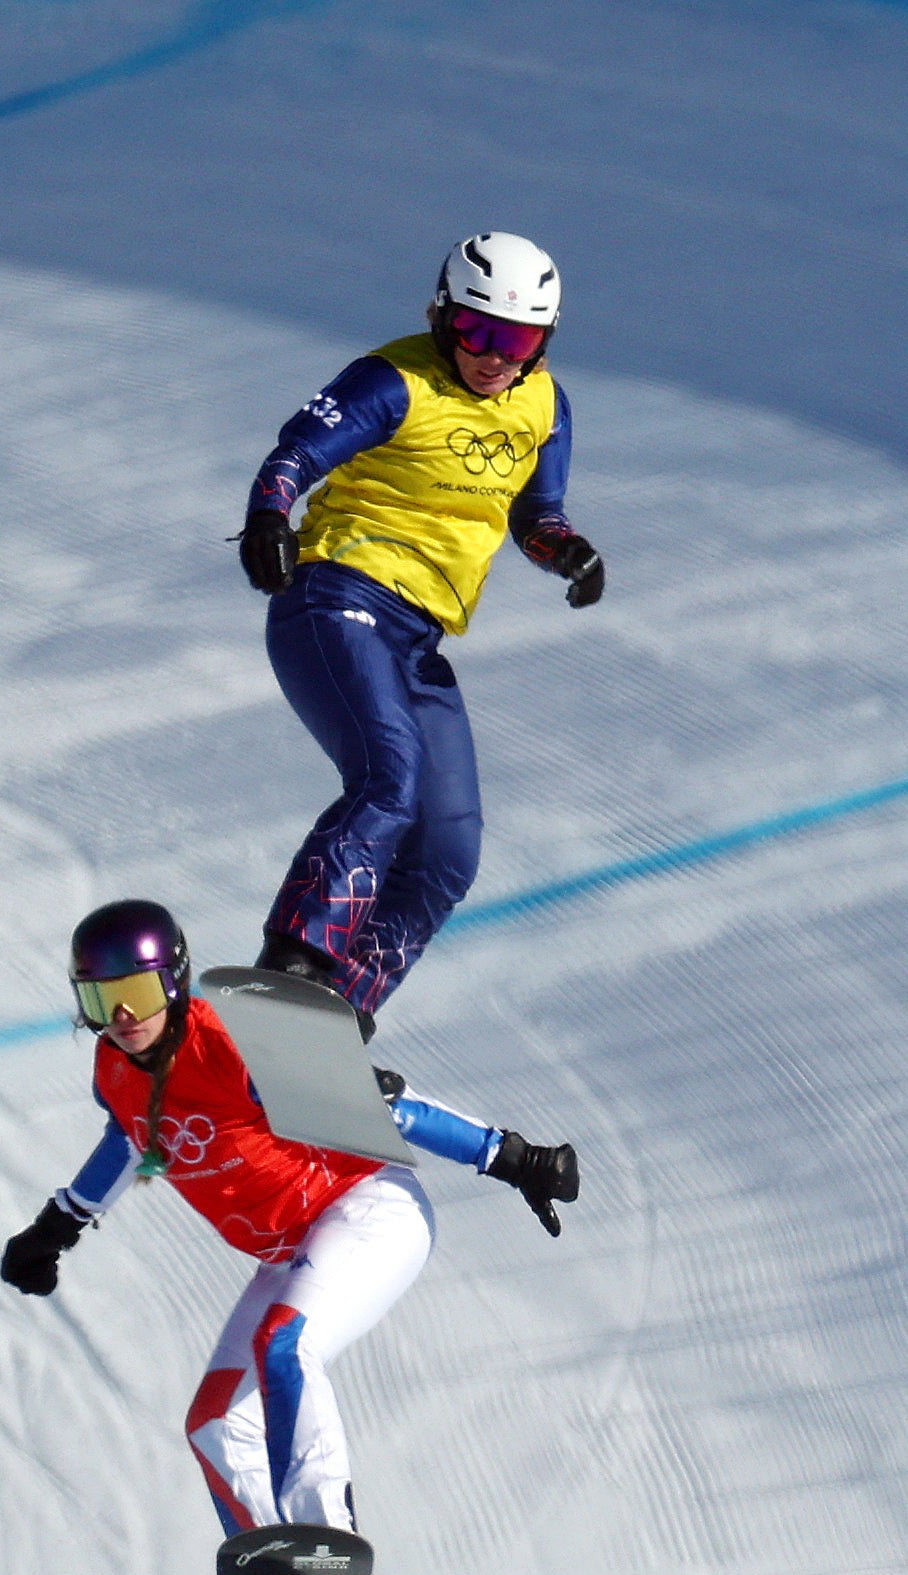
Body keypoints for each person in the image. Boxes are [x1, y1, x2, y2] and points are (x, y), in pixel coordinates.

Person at [0, 899, 580, 1575]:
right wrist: (55, 1227)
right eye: (102, 999)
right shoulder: (113, 1069)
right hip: (291, 1247)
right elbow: (126, 1139)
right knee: (213, 1422)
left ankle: (325, 1535)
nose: (123, 1017)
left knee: (284, 1343)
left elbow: (381, 1104)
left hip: (366, 1210)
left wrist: (510, 1157)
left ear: (174, 983)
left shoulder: (229, 1049)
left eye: (138, 992)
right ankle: (272, 1569)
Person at [239, 232, 606, 1024]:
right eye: (477, 333)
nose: (494, 358)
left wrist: (567, 552)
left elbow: (535, 514)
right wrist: (268, 515)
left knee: (449, 846)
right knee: (387, 778)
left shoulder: (542, 406)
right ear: (440, 316)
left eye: (519, 341)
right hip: (338, 596)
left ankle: (342, 1008)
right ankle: (296, 958)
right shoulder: (396, 378)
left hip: (415, 638)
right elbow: (295, 454)